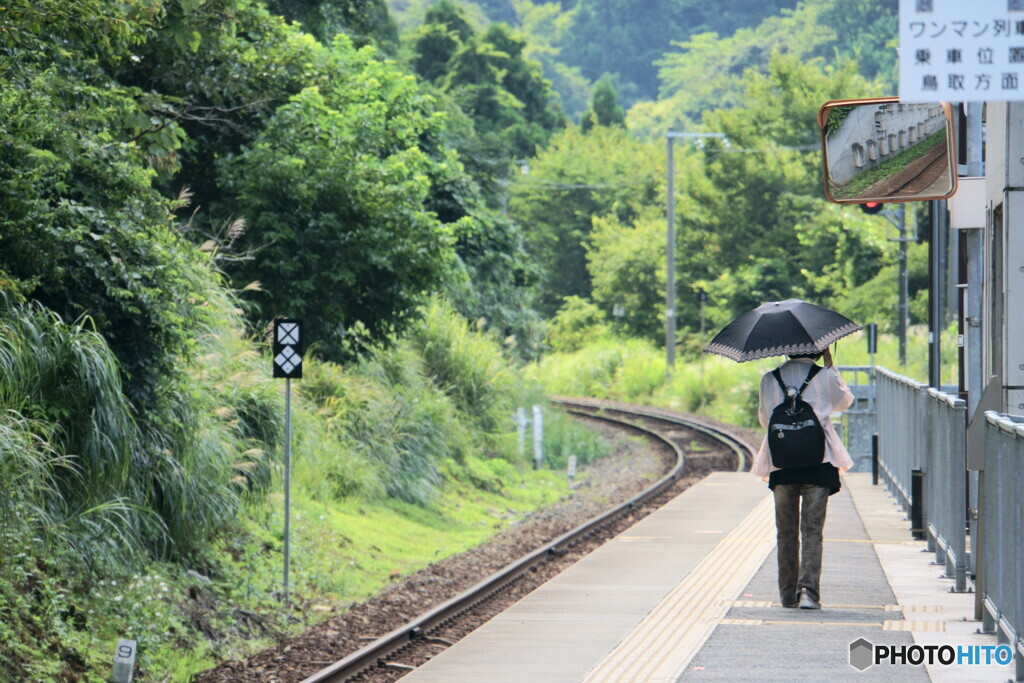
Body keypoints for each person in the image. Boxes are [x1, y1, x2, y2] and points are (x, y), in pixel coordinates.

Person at [752, 346, 854, 610]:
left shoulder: (768, 379)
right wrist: (832, 367)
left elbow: (766, 420)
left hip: (781, 464)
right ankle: (808, 593)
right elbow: (844, 403)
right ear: (819, 350)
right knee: (812, 532)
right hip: (818, 463)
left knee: (785, 532)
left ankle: (787, 595)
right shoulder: (825, 376)